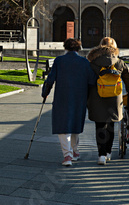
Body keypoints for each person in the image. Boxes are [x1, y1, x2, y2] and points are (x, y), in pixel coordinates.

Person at [42, 38, 97, 166]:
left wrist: (45, 92)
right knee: (74, 125)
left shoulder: (59, 61)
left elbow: (50, 79)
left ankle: (67, 155)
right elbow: (92, 80)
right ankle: (75, 151)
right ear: (79, 48)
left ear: (65, 47)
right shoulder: (84, 62)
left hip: (62, 97)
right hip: (79, 98)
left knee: (63, 126)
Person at [87, 37, 129, 165]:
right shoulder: (119, 62)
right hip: (114, 97)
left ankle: (101, 155)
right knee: (111, 125)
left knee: (100, 126)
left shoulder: (92, 62)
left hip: (97, 97)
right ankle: (108, 152)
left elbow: (86, 80)